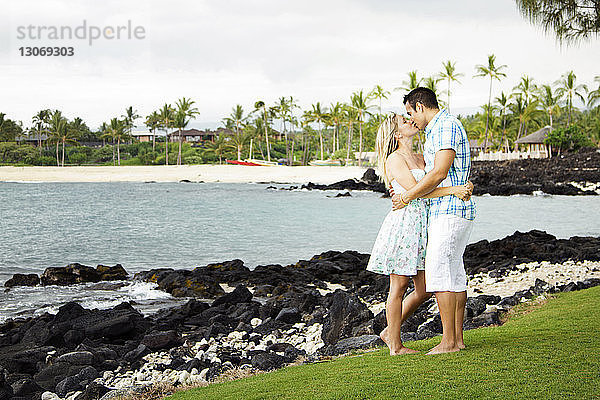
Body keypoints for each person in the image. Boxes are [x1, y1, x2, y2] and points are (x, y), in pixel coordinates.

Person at [366, 113, 473, 355]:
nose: (410, 122)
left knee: (425, 288)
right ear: (397, 134)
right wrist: (454, 190)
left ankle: (388, 331)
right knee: (399, 284)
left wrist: (462, 185)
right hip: (405, 224)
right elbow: (419, 192)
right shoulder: (394, 159)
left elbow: (431, 182)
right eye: (404, 121)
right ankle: (395, 344)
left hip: (425, 222)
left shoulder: (420, 156)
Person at [392, 87, 476, 355]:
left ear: (419, 106)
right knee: (453, 275)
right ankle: (457, 340)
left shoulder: (444, 126)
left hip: (449, 210)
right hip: (448, 208)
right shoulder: (439, 128)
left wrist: (406, 197)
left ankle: (448, 342)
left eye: (410, 113)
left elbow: (439, 172)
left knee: (440, 275)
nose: (411, 119)